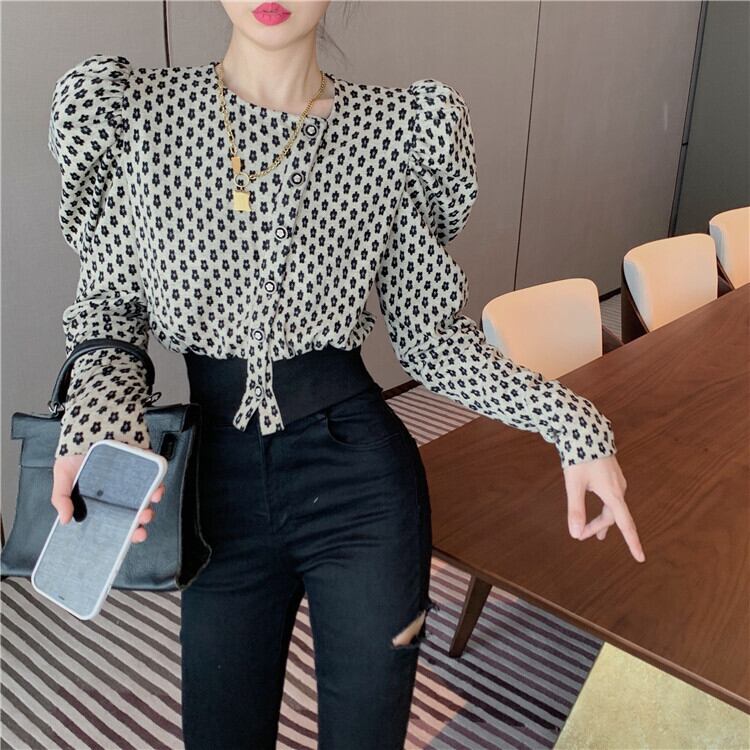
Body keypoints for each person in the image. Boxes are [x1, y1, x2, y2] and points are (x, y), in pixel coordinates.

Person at [48, 2, 645, 748]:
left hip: (362, 489)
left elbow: (432, 342)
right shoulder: (136, 116)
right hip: (214, 496)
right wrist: (99, 417)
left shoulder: (397, 132)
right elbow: (108, 311)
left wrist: (573, 424)